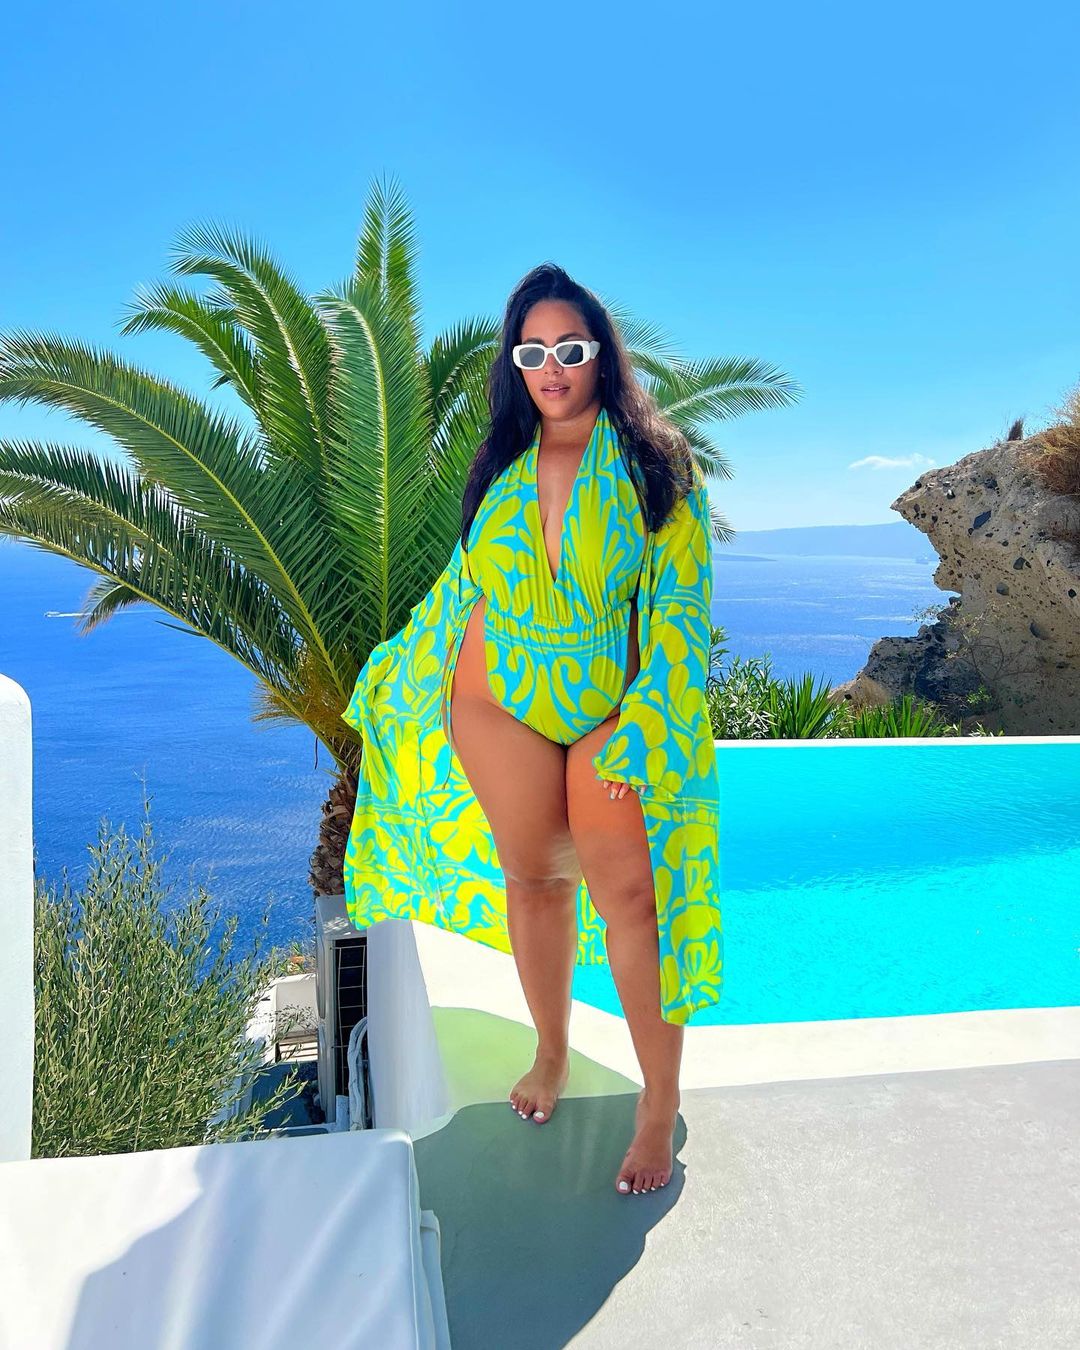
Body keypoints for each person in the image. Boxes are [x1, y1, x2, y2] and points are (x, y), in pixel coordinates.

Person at [341, 262, 723, 1195]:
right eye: (533, 352)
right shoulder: (500, 468)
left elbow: (680, 604)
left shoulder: (657, 464)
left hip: (609, 707)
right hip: (497, 698)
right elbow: (463, 587)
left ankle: (659, 1098)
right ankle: (550, 1051)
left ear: (602, 356)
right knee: (536, 879)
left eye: (570, 349)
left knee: (630, 899)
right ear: (515, 364)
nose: (552, 367)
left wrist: (650, 719)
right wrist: (398, 671)